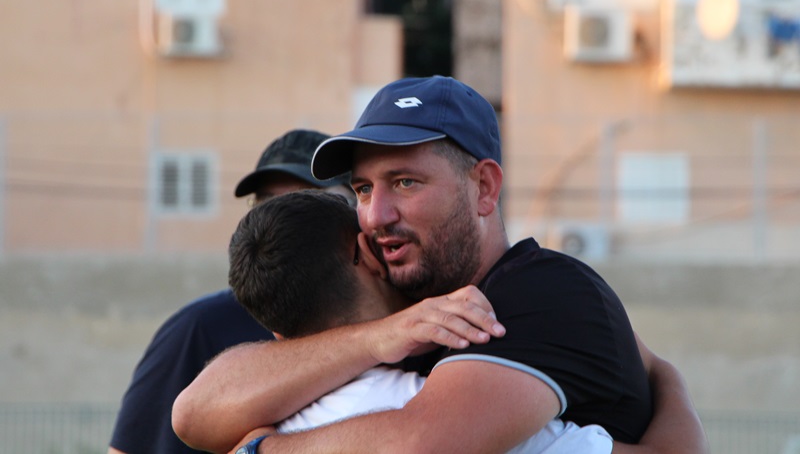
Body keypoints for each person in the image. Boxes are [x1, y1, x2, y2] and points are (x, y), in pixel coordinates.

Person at [172, 77, 709, 454]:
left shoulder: (543, 293)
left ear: (484, 187)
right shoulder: (400, 305)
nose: (375, 215)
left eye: (405, 182)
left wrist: (266, 449)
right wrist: (378, 337)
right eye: (363, 189)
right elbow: (194, 413)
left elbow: (420, 444)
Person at [225, 189, 613, 454]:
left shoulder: (261, 420)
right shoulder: (437, 411)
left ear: (278, 333)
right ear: (368, 253)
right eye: (364, 190)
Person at [108, 129, 352, 454]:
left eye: (303, 201)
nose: (279, 220)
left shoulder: (403, 325)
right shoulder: (199, 329)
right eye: (266, 203)